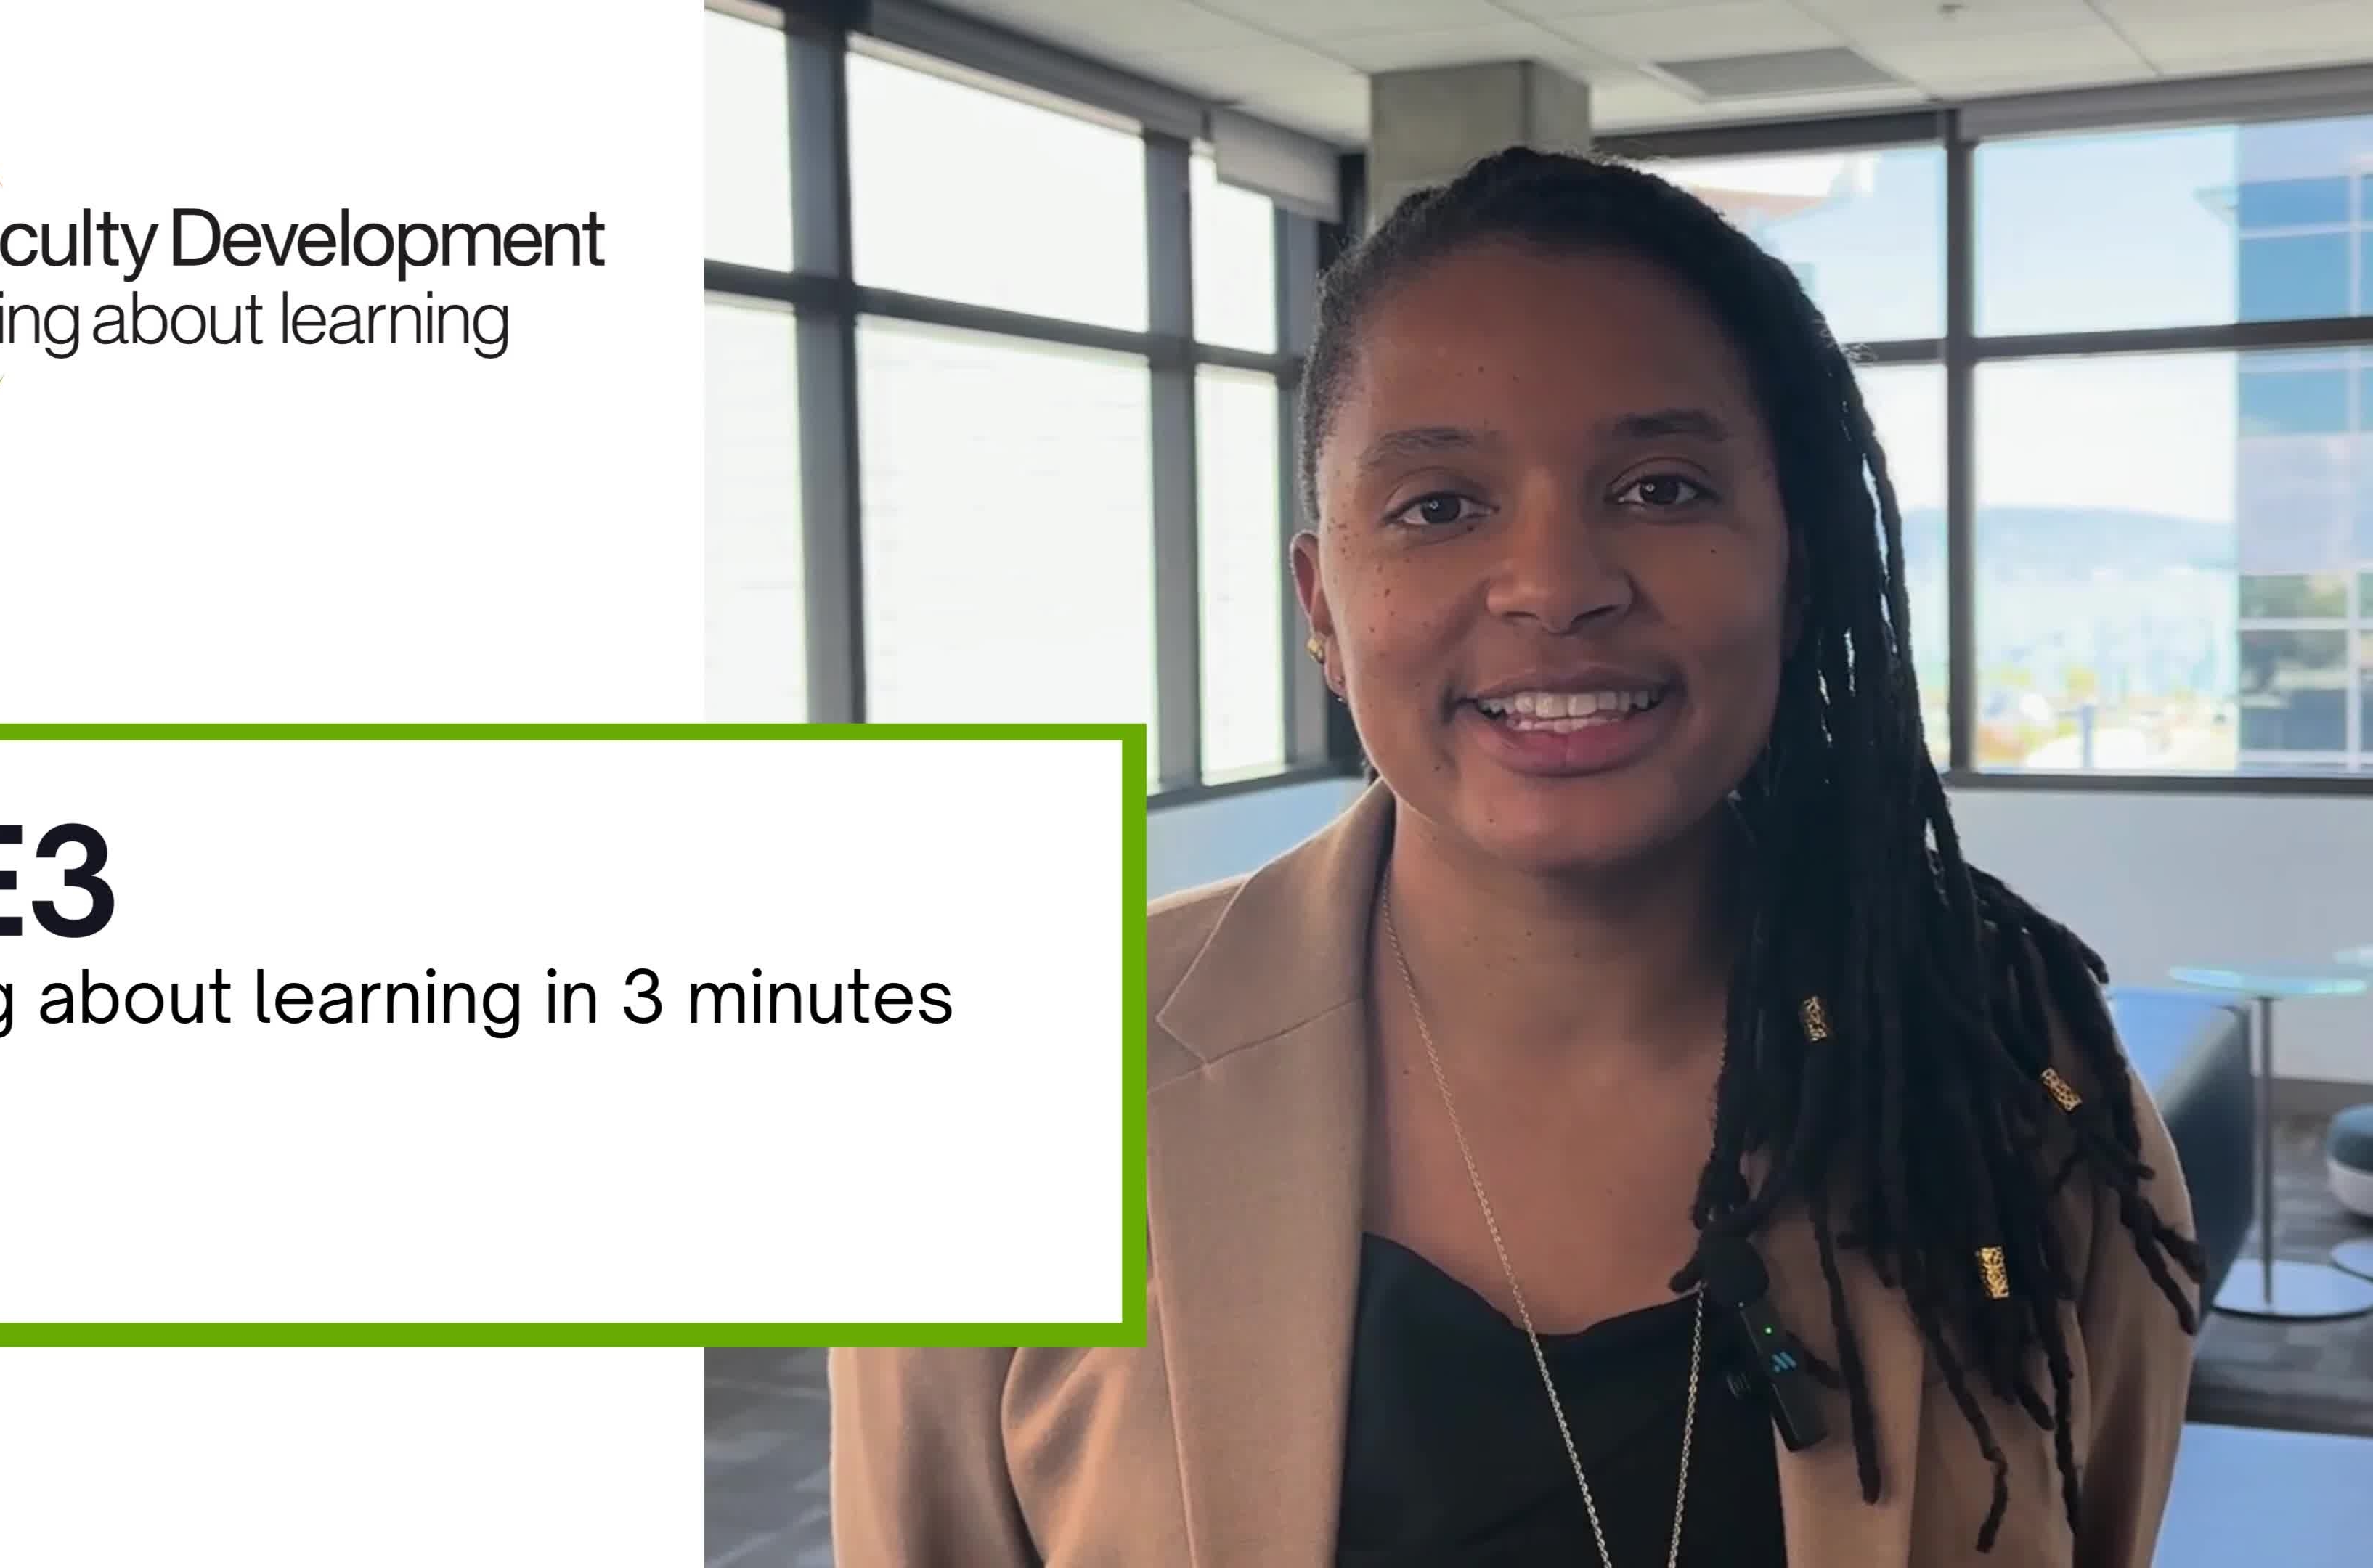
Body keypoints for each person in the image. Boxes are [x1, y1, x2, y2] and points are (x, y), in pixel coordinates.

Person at [826, 147, 2205, 1567]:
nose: (1556, 586)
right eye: (1440, 506)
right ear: (1320, 605)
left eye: (1662, 488)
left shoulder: (2011, 1076)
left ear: (1796, 568)